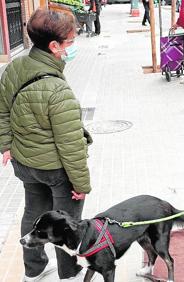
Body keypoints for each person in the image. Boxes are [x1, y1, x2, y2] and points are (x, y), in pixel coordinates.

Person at [0, 9, 93, 282]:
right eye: (70, 42)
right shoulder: (57, 89)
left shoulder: (14, 67)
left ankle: (34, 270)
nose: (72, 47)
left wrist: (6, 145)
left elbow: (2, 110)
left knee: (33, 213)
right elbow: (71, 145)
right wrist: (81, 185)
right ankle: (70, 273)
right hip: (55, 169)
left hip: (25, 163)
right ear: (54, 46)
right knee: (67, 225)